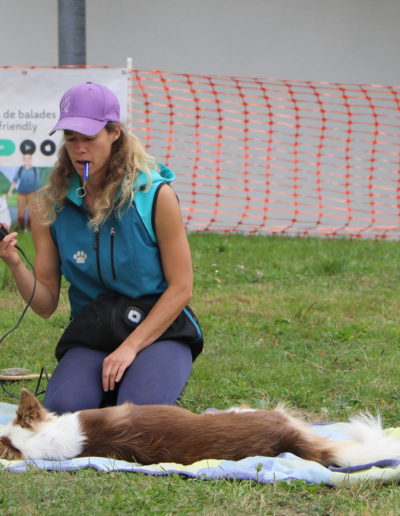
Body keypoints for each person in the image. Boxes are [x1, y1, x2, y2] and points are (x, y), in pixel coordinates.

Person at [0, 81, 202, 413]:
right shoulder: (49, 206)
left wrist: (129, 348)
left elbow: (182, 288)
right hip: (93, 330)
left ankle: (145, 380)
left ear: (114, 133)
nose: (79, 148)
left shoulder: (155, 195)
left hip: (157, 329)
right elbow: (45, 304)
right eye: (71, 138)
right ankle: (112, 386)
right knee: (64, 413)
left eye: (90, 137)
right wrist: (14, 263)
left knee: (134, 417)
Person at [8, 152, 41, 230]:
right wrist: (10, 191)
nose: (27, 160)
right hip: (21, 193)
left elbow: (38, 183)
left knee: (31, 211)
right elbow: (15, 181)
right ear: (23, 160)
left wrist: (41, 193)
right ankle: (21, 226)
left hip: (31, 193)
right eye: (25, 158)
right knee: (21, 210)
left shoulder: (35, 170)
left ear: (31, 159)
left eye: (28, 158)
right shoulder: (20, 169)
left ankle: (30, 227)